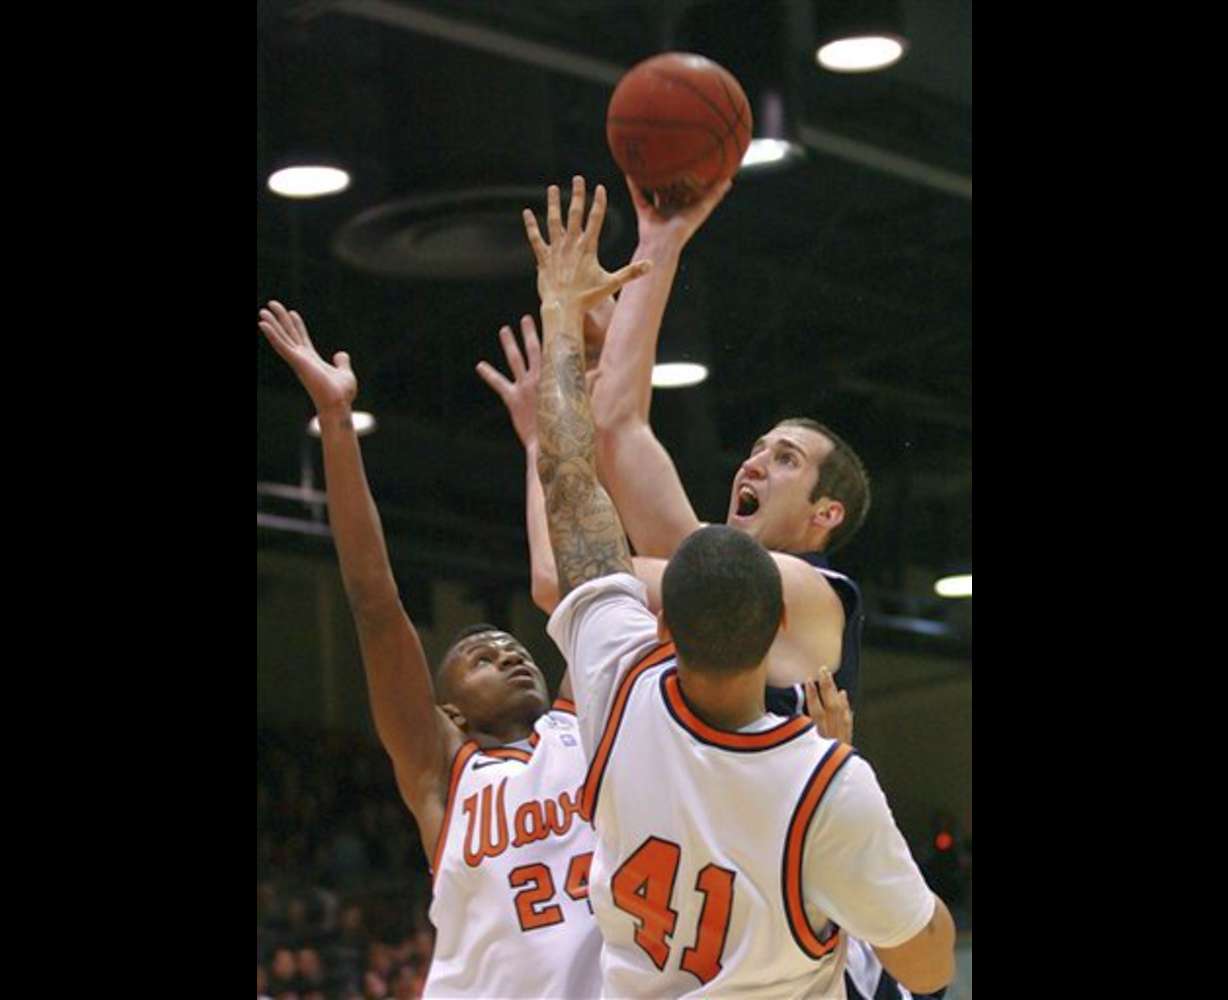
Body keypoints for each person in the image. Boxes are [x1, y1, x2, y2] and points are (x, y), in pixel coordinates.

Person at [525, 176, 954, 997]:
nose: (753, 462)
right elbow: (618, 430)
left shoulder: (814, 595)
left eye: (784, 459)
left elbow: (584, 521)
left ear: (827, 512)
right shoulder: (716, 600)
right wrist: (660, 241)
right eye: (755, 449)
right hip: (766, 895)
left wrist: (576, 323)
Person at [258, 299, 651, 998]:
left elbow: (582, 569)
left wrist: (547, 441)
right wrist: (338, 424)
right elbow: (374, 602)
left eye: (511, 649)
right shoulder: (443, 772)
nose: (509, 653)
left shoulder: (585, 721)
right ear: (452, 713)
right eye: (480, 655)